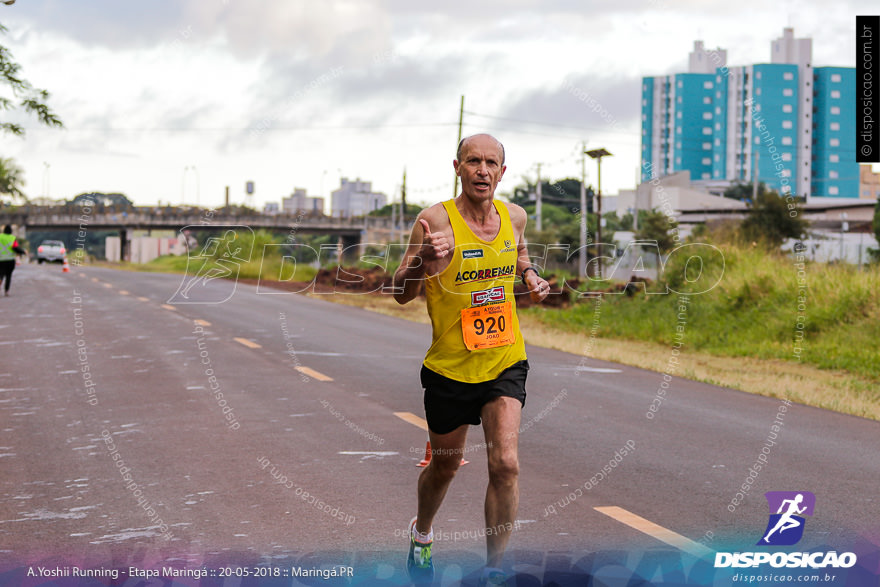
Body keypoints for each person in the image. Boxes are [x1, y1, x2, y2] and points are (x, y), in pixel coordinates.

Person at [393, 134, 550, 585]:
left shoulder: (514, 216)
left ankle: (495, 571)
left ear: (503, 171)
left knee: (506, 464)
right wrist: (422, 261)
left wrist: (530, 274)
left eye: (491, 163)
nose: (483, 170)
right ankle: (422, 534)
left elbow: (518, 252)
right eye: (474, 161)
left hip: (504, 358)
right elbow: (402, 294)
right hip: (449, 368)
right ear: (458, 167)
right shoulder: (433, 221)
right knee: (444, 466)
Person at [0, 225, 27, 297]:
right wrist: (23, 252)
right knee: (8, 275)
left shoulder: (0, 237)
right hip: (10, 260)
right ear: (11, 231)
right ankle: (6, 291)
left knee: (1, 274)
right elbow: (15, 248)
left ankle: (0, 279)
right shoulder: (12, 238)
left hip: (0, 260)